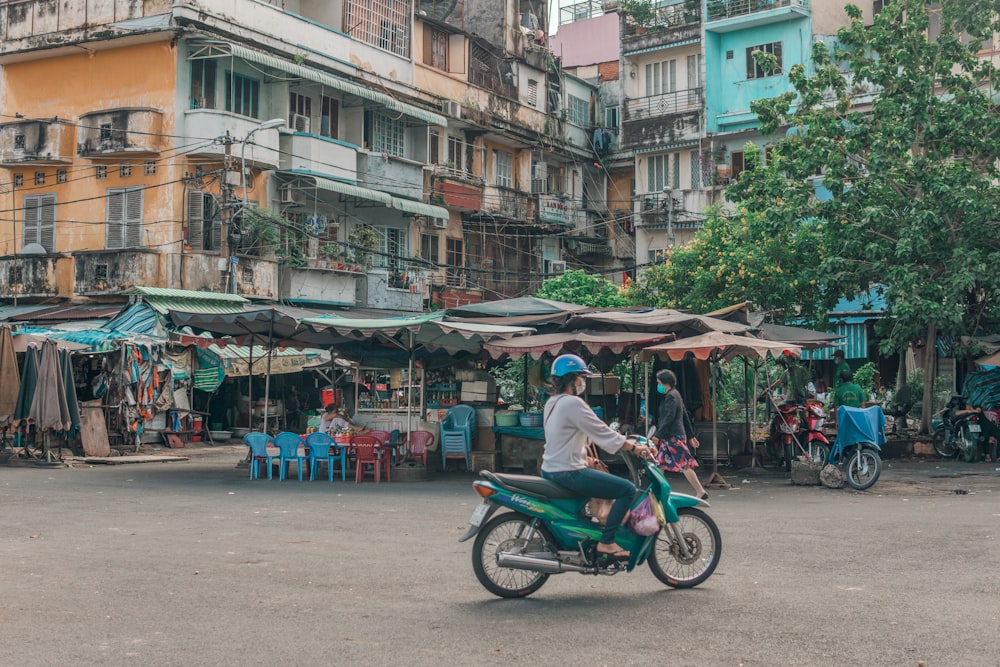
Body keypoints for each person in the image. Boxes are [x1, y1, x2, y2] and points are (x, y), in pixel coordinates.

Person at [540, 354, 651, 560]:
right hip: (569, 471)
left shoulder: (552, 403)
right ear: (572, 379)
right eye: (581, 378)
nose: (582, 383)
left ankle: (593, 534)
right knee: (626, 489)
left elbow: (582, 431)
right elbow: (602, 432)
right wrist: (633, 447)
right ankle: (606, 542)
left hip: (552, 468)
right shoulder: (573, 404)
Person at [651, 369, 708, 500]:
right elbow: (685, 416)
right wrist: (691, 435)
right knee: (660, 463)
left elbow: (669, 418)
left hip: (673, 436)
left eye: (659, 383)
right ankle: (657, 490)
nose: (658, 385)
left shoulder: (671, 396)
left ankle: (700, 491)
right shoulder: (676, 394)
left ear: (666, 384)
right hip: (670, 436)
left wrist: (658, 435)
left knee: (684, 464)